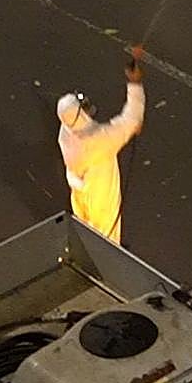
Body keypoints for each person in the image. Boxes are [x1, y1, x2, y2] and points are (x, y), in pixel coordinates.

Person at [56, 56, 145, 245]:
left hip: (79, 192)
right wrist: (134, 82)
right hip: (99, 196)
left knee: (85, 227)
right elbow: (131, 119)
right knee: (106, 238)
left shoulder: (66, 132)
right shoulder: (98, 140)